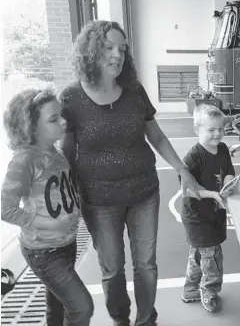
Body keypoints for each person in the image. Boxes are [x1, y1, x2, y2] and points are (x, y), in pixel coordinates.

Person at [59, 20, 201, 326]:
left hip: (144, 193)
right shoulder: (71, 99)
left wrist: (183, 170)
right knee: (111, 268)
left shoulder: (135, 91)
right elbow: (66, 155)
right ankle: (120, 320)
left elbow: (158, 137)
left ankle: (147, 320)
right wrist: (58, 195)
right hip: (98, 199)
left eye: (122, 49)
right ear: (90, 51)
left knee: (146, 264)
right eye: (108, 47)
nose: (117, 55)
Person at [1, 87, 93, 326]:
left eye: (60, 115)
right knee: (81, 306)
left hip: (66, 244)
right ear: (30, 127)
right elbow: (6, 208)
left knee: (58, 305)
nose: (63, 122)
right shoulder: (25, 160)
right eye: (53, 119)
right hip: (43, 251)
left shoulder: (56, 152)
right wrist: (50, 223)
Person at [180, 104, 235, 313]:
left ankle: (190, 289)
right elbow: (188, 190)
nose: (217, 134)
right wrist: (213, 194)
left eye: (220, 129)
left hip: (214, 212)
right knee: (212, 256)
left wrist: (229, 183)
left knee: (199, 254)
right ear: (197, 130)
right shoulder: (193, 157)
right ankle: (209, 291)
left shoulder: (222, 149)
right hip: (197, 217)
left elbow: (228, 170)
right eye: (211, 130)